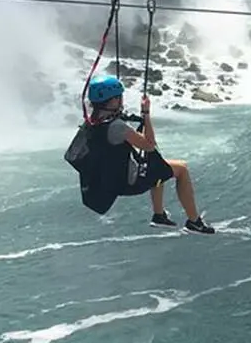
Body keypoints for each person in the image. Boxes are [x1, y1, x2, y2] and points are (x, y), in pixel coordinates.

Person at [79, 74, 215, 235]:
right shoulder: (117, 127)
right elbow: (149, 145)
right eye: (119, 97)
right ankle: (194, 222)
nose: (121, 101)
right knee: (182, 169)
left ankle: (159, 215)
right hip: (128, 182)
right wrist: (146, 113)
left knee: (158, 165)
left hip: (107, 180)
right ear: (113, 100)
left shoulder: (90, 123)